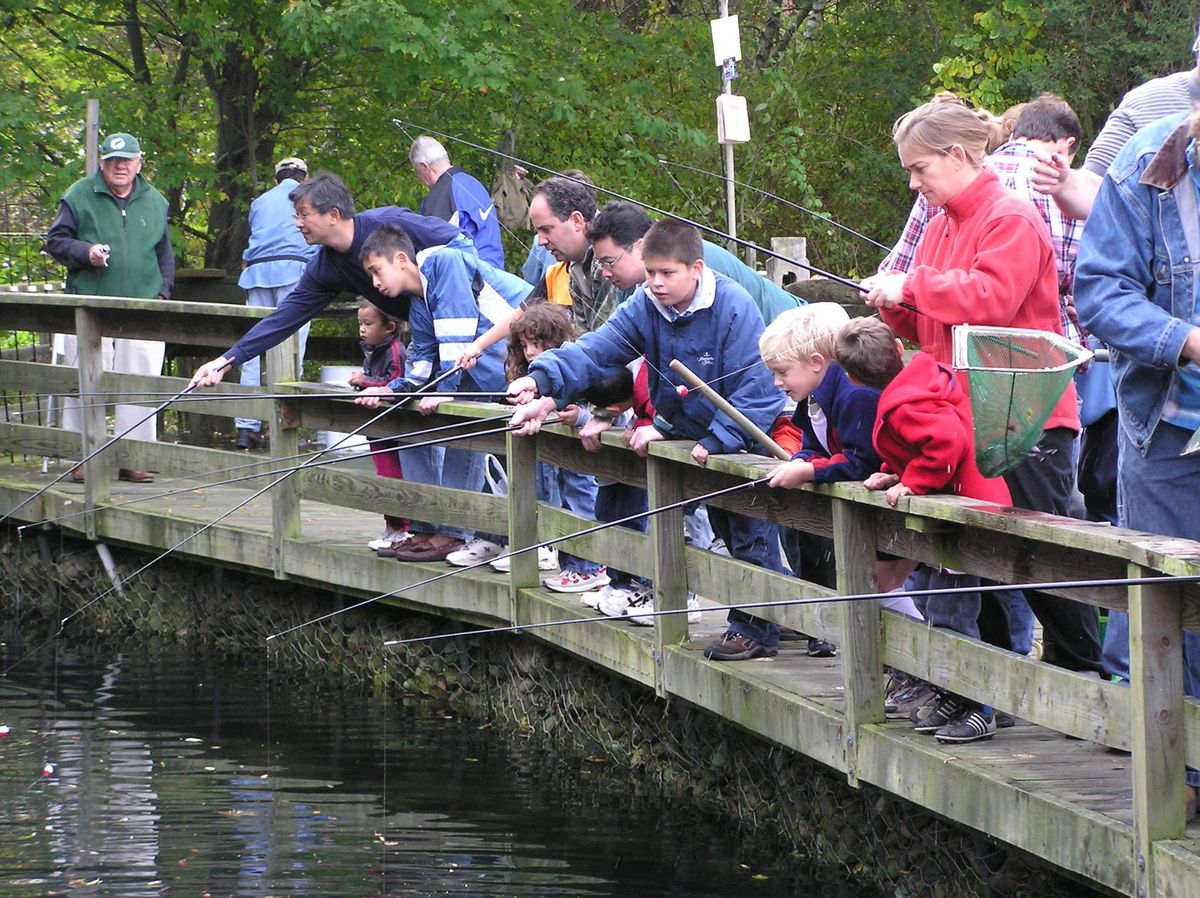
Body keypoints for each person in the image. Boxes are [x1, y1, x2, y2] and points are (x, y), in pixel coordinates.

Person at [861, 98, 1101, 679]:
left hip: (1027, 415)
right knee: (975, 556)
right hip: (967, 416)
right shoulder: (942, 226)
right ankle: (988, 689)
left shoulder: (1011, 216)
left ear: (958, 155)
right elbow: (934, 325)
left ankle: (1093, 685)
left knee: (1045, 561)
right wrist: (894, 309)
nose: (914, 183)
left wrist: (911, 284)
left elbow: (990, 299)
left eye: (920, 168)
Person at [507, 219, 788, 661]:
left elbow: (757, 388)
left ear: (696, 268)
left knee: (750, 532)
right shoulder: (645, 306)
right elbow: (598, 348)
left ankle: (757, 627)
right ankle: (766, 617)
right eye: (651, 271)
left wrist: (719, 438)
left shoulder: (733, 306)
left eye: (667, 274)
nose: (655, 283)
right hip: (687, 441)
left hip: (740, 442)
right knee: (723, 532)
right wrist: (542, 380)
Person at [1074, 105, 1200, 806]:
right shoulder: (1146, 168)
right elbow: (1099, 291)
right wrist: (1184, 340)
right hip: (1170, 422)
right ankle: (1183, 774)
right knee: (1167, 601)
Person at [835, 316, 1012, 743]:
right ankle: (958, 694)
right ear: (898, 348)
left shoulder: (905, 402)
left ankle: (978, 707)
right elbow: (918, 444)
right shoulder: (923, 375)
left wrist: (915, 481)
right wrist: (893, 473)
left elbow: (946, 443)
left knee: (951, 610)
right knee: (943, 604)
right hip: (959, 506)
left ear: (853, 378)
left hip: (963, 513)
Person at [188, 172, 469, 390]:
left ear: (333, 215)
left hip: (468, 332)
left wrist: (460, 305)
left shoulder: (390, 223)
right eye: (295, 216)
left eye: (304, 215)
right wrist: (226, 360)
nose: (297, 223)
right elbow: (284, 318)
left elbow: (460, 243)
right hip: (424, 345)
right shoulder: (324, 268)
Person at [353, 225, 530, 562]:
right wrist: (389, 390)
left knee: (464, 430)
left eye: (377, 270)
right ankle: (433, 527)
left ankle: (454, 531)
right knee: (421, 425)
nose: (375, 283)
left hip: (512, 364)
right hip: (476, 375)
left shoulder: (445, 263)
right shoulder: (418, 301)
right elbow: (420, 359)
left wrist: (444, 392)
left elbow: (457, 333)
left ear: (402, 259)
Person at [44, 131, 174, 484]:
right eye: (113, 161)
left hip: (141, 309)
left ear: (139, 163)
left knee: (141, 384)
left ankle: (135, 457)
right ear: (101, 163)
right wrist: (86, 253)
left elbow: (164, 253)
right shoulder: (78, 195)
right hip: (90, 305)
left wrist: (162, 293)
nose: (120, 166)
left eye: (127, 160)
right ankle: (83, 457)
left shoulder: (156, 201)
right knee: (86, 382)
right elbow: (55, 241)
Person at [761, 302, 881, 658]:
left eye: (782, 372)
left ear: (816, 362)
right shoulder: (812, 396)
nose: (777, 382)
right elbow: (812, 444)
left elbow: (861, 463)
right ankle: (822, 629)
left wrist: (811, 471)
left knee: (881, 586)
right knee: (811, 548)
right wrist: (800, 460)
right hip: (840, 508)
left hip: (876, 510)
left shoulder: (855, 395)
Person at [503, 304, 608, 592]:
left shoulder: (581, 370)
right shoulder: (531, 376)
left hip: (584, 461)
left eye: (537, 344)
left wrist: (578, 416)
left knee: (582, 504)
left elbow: (603, 411)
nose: (530, 352)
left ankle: (589, 567)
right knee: (564, 505)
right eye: (524, 345)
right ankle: (573, 565)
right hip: (562, 461)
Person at [587, 201, 802, 322]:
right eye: (601, 264)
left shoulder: (696, 266)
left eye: (609, 262)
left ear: (640, 246)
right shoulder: (629, 287)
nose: (605, 272)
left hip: (794, 336)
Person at [234, 157, 319, 450]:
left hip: (256, 274)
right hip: (294, 274)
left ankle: (245, 428)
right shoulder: (309, 197)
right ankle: (283, 425)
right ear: (305, 177)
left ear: (276, 179)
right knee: (292, 350)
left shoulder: (259, 202)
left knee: (251, 349)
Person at [346, 299, 409, 553]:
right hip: (377, 427)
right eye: (360, 323)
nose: (362, 329)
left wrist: (366, 381)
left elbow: (394, 382)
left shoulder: (394, 350)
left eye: (368, 324)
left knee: (392, 475)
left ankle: (402, 528)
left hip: (392, 428)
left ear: (389, 327)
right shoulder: (372, 348)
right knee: (382, 475)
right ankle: (391, 526)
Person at [411, 135, 505, 269]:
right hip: (497, 276)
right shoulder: (473, 183)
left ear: (424, 167)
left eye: (418, 173)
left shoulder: (440, 195)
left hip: (472, 281)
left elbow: (432, 253)